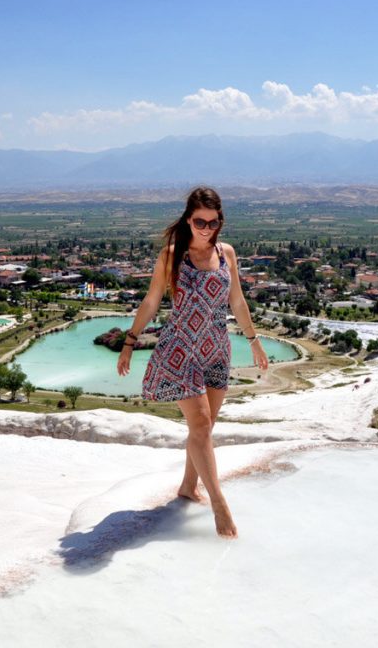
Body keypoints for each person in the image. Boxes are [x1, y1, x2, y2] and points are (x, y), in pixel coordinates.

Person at [117, 186, 269, 539]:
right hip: (181, 348)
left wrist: (254, 341)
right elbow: (152, 301)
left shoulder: (226, 253)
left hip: (216, 347)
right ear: (188, 219)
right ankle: (220, 506)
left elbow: (238, 302)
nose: (206, 228)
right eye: (200, 221)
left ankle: (188, 487)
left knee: (205, 428)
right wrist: (130, 341)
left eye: (213, 222)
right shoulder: (173, 255)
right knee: (200, 425)